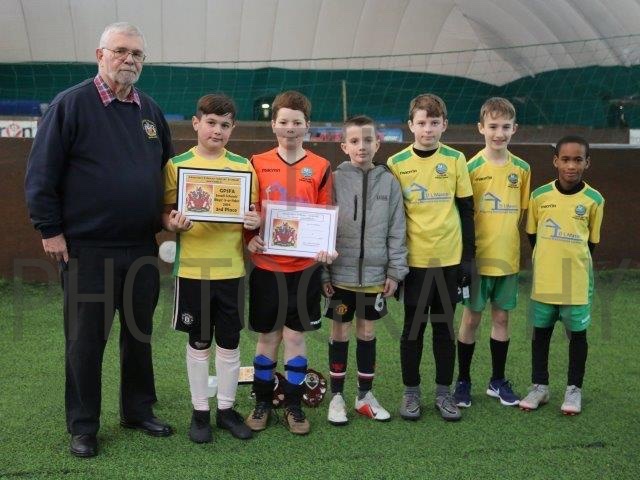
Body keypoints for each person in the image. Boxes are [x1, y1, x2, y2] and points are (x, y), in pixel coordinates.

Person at [24, 22, 174, 458]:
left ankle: (137, 410)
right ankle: (84, 426)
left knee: (139, 335)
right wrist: (49, 229)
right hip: (87, 249)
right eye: (121, 51)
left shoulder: (150, 111)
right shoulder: (70, 105)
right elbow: (41, 174)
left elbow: (165, 172)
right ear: (100, 54)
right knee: (85, 341)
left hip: (141, 246)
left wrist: (169, 213)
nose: (129, 59)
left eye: (137, 54)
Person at [162, 94, 260, 443]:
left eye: (225, 125)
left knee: (230, 342)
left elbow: (253, 216)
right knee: (199, 340)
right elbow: (165, 212)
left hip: (231, 271)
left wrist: (255, 221)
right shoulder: (177, 165)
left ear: (232, 128)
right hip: (193, 270)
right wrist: (172, 223)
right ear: (196, 123)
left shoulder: (244, 167)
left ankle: (227, 410)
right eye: (211, 123)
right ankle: (200, 411)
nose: (217, 130)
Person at [244, 91, 335, 435]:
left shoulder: (321, 167)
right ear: (273, 125)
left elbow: (324, 215)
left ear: (307, 125)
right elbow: (249, 210)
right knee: (268, 338)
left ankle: (294, 406)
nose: (290, 128)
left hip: (305, 270)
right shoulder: (257, 162)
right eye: (283, 121)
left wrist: (324, 248)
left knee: (295, 339)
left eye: (297, 122)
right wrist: (248, 237)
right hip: (267, 267)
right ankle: (263, 402)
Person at [387, 93, 475, 422]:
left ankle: (443, 393)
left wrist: (468, 259)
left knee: (443, 328)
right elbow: (393, 219)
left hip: (449, 261)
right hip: (413, 264)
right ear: (410, 125)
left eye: (434, 123)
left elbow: (467, 211)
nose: (428, 129)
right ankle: (411, 393)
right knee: (413, 330)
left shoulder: (455, 159)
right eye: (422, 123)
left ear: (444, 125)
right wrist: (393, 264)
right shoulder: (397, 162)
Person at [322, 115, 408, 425]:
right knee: (339, 331)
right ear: (344, 146)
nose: (362, 146)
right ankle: (337, 397)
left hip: (374, 277)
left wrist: (395, 271)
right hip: (340, 275)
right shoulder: (334, 179)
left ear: (378, 144)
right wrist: (324, 273)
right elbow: (324, 227)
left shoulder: (389, 182)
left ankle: (364, 396)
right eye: (355, 141)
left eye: (368, 140)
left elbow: (397, 230)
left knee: (368, 332)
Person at [453, 98, 531, 408]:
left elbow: (520, 214)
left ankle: (497, 381)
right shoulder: (470, 168)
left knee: (501, 318)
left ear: (515, 129)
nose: (499, 133)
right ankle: (463, 381)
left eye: (505, 127)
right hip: (477, 261)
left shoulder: (522, 169)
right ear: (481, 128)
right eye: (493, 126)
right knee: (471, 319)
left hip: (507, 260)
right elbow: (463, 214)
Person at [519, 135, 604, 415]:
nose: (571, 165)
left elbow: (591, 243)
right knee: (540, 334)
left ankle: (573, 390)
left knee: (577, 336)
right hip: (545, 281)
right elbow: (532, 235)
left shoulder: (594, 200)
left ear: (587, 163)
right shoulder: (539, 196)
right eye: (565, 159)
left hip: (576, 283)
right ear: (556, 161)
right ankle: (539, 387)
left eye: (578, 160)